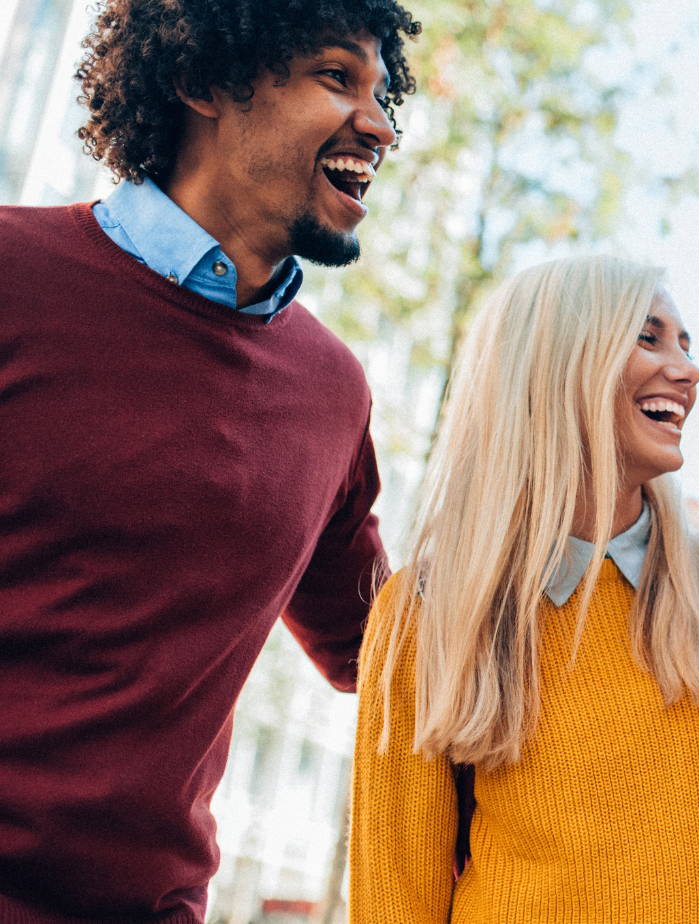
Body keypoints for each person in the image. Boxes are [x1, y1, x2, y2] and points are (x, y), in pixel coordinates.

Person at [0, 1, 419, 920]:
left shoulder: (333, 391)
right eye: (337, 78)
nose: (382, 125)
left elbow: (386, 649)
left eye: (382, 93)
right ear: (203, 82)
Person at [350, 256, 699, 922]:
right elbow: (393, 897)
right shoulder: (427, 610)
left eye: (685, 344)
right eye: (647, 338)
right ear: (557, 362)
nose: (687, 369)